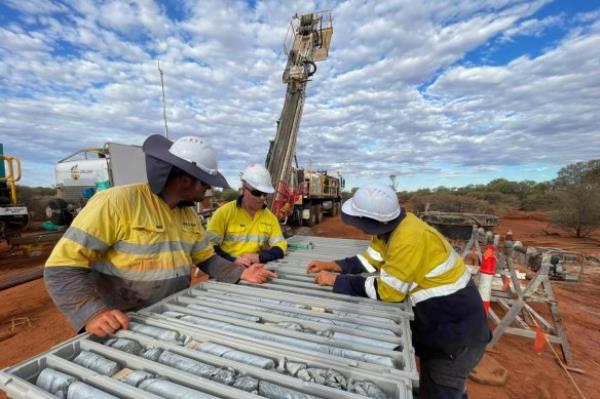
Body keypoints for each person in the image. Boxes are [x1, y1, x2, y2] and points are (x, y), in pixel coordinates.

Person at [44, 135, 276, 337]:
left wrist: (240, 273)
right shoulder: (116, 203)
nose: (209, 189)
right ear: (185, 179)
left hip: (172, 313)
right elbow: (61, 267)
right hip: (124, 325)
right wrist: (91, 312)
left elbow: (206, 258)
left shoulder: (188, 214)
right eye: (205, 182)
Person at [306, 183, 490, 399]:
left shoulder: (408, 239)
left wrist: (337, 281)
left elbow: (389, 291)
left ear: (374, 222)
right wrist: (331, 265)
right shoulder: (391, 229)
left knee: (441, 389)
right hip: (440, 325)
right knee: (435, 383)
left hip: (456, 336)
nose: (358, 228)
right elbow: (370, 260)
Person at [207, 164, 287, 267]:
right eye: (257, 193)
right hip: (225, 269)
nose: (262, 198)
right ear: (244, 189)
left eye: (265, 194)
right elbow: (208, 246)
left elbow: (281, 245)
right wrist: (232, 260)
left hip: (253, 270)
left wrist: (260, 257)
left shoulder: (270, 218)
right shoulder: (224, 213)